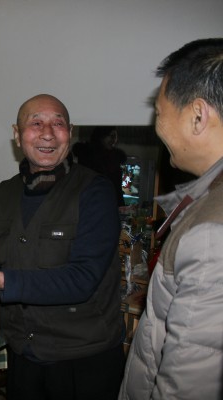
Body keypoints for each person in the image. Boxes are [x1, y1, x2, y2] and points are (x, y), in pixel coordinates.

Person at [0, 94, 125, 400]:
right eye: (35, 123)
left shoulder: (95, 191)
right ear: (17, 134)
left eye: (58, 124)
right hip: (23, 353)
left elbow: (82, 279)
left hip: (83, 358)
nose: (47, 133)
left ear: (70, 133)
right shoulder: (3, 194)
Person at [119, 38, 223, 399]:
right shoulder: (208, 197)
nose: (157, 124)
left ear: (198, 116)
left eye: (160, 112)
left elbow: (187, 385)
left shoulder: (212, 234)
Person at [73, 126, 127, 206]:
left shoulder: (114, 158)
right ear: (101, 136)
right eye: (112, 136)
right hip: (91, 202)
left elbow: (116, 188)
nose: (115, 140)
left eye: (116, 137)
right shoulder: (87, 155)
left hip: (109, 202)